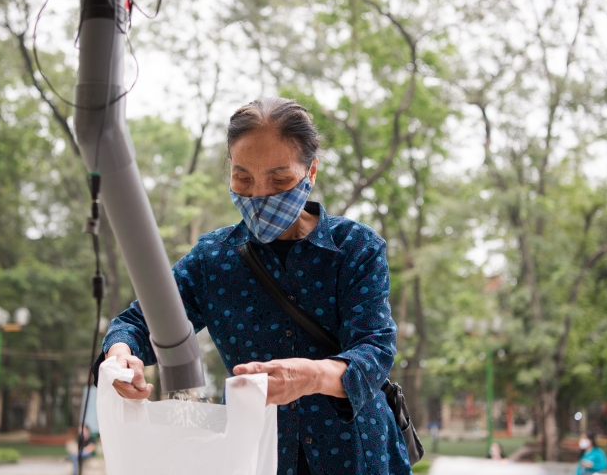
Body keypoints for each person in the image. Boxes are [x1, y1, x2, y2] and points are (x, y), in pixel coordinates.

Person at [99, 97, 408, 473]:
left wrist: (310, 376)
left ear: (311, 171)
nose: (260, 195)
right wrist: (121, 356)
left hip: (356, 453)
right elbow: (137, 322)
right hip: (258, 454)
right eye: (243, 178)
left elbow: (375, 349)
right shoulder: (212, 258)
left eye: (279, 179)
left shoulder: (355, 247)